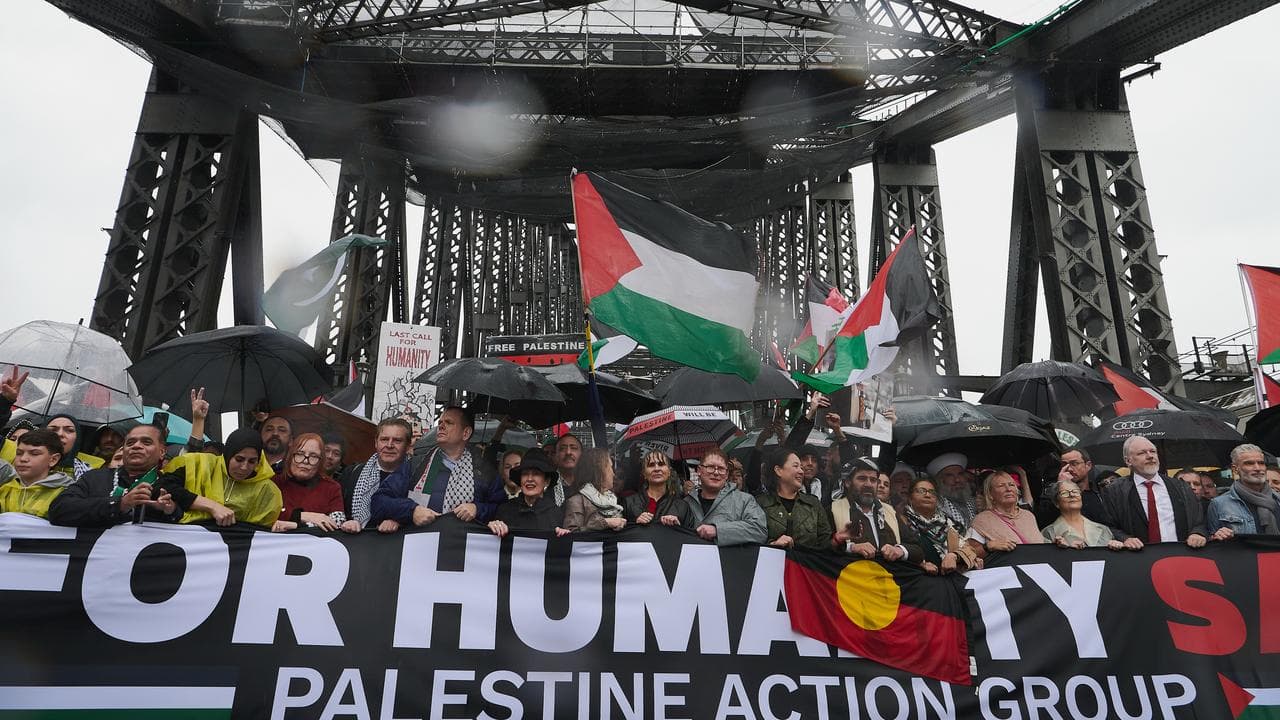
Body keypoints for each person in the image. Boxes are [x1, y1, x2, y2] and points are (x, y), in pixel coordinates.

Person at [370, 406, 505, 532]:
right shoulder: (417, 464)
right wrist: (412, 511)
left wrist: (478, 509)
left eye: (449, 422)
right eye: (440, 422)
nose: (441, 425)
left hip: (462, 551)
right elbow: (379, 501)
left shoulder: (484, 471)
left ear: (466, 433)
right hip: (420, 547)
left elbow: (502, 509)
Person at [1100, 435, 1228, 548]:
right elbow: (1108, 527)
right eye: (1142, 453)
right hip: (1138, 561)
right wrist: (1125, 539)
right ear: (1128, 461)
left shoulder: (1180, 487)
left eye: (1153, 451)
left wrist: (1197, 533)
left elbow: (1198, 520)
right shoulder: (1114, 491)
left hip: (1181, 556)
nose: (1150, 456)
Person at [48, 423, 181, 527]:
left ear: (162, 452)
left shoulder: (170, 486)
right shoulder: (94, 477)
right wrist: (120, 504)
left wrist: (170, 511)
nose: (136, 446)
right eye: (130, 443)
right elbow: (59, 510)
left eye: (146, 442)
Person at [165, 427, 282, 528]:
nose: (244, 467)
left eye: (252, 461)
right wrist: (212, 507)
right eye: (239, 459)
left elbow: (260, 533)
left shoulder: (268, 491)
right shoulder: (201, 465)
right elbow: (163, 486)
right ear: (228, 455)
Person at [833, 457, 922, 562]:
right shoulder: (833, 509)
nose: (869, 484)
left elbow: (918, 550)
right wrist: (850, 548)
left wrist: (899, 550)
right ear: (848, 482)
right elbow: (821, 548)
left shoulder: (890, 512)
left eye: (873, 480)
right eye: (862, 478)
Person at [341, 418, 413, 532]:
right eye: (384, 439)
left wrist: (399, 522)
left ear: (408, 446)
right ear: (376, 442)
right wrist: (347, 521)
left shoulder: (417, 476)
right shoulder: (352, 473)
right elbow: (338, 510)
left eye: (397, 440)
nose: (389, 445)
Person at [683, 448, 766, 546]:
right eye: (710, 467)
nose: (716, 473)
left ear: (726, 475)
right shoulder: (686, 502)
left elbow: (759, 530)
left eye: (721, 469)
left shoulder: (744, 500)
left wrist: (718, 530)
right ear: (699, 471)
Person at [897, 476, 979, 574]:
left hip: (952, 576)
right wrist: (921, 565)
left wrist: (954, 556)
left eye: (932, 492)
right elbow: (900, 552)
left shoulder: (949, 523)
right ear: (910, 498)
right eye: (921, 491)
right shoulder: (902, 522)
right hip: (919, 578)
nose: (927, 495)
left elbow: (969, 549)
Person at [757, 446, 831, 550]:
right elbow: (753, 541)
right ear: (778, 470)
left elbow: (826, 543)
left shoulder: (813, 504)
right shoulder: (759, 504)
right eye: (796, 466)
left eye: (801, 467)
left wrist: (838, 540)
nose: (801, 471)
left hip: (806, 564)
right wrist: (773, 545)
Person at [272, 433, 347, 532]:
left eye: (313, 456)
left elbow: (337, 522)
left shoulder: (332, 488)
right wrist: (302, 516)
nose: (305, 461)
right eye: (300, 454)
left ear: (320, 461)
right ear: (290, 456)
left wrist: (295, 526)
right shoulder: (274, 483)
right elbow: (262, 515)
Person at [1, 414, 106, 481]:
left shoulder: (91, 475)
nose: (60, 434)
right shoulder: (14, 452)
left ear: (77, 438)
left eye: (69, 430)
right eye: (53, 430)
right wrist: (5, 401)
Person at [488, 451, 568, 537]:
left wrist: (564, 535)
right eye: (525, 474)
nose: (529, 479)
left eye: (536, 474)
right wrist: (494, 527)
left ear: (546, 481)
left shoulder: (556, 514)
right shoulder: (505, 510)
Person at [0, 428, 75, 518]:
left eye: (34, 454)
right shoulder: (4, 489)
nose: (23, 459)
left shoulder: (65, 494)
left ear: (53, 459)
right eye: (19, 453)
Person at [1207, 443, 1279, 536]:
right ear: (1235, 469)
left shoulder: (1277, 498)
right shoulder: (1219, 504)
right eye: (1249, 463)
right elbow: (1213, 546)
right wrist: (1216, 537)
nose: (1257, 468)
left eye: (1261, 463)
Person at [969, 470, 1044, 556]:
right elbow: (970, 554)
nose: (1008, 489)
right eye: (1001, 486)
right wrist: (989, 546)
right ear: (990, 494)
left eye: (1011, 485)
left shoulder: (1028, 516)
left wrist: (1054, 545)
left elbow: (1041, 546)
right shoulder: (982, 520)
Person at [1042, 480, 1127, 550]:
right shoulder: (1049, 532)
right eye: (1065, 493)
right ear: (1057, 503)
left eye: (1075, 492)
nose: (1071, 495)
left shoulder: (1103, 529)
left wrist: (1116, 547)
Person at [622, 449, 693, 527]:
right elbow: (620, 534)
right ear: (644, 473)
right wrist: (635, 524)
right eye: (651, 465)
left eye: (661, 464)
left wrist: (677, 527)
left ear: (669, 472)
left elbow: (689, 535)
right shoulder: (628, 503)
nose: (656, 469)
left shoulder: (682, 506)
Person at [562, 448, 626, 533]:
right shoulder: (577, 501)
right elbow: (571, 535)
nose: (613, 474)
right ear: (599, 471)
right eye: (610, 467)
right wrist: (605, 523)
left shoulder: (611, 499)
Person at [928, 453, 974, 530]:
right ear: (940, 480)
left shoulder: (973, 502)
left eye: (960, 474)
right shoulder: (935, 505)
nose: (957, 480)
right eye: (950, 475)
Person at [550, 433, 582, 506]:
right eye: (562, 449)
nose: (568, 452)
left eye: (573, 448)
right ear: (555, 455)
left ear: (581, 454)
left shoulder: (590, 483)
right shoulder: (547, 484)